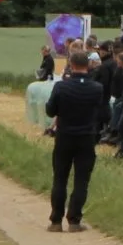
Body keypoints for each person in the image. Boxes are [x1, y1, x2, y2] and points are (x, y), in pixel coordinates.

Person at [44, 51, 108, 231]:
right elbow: (101, 112)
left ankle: (56, 220)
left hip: (64, 135)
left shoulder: (61, 87)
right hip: (86, 136)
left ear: (71, 65)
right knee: (81, 180)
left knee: (60, 179)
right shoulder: (97, 88)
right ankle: (74, 220)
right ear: (88, 65)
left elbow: (50, 111)